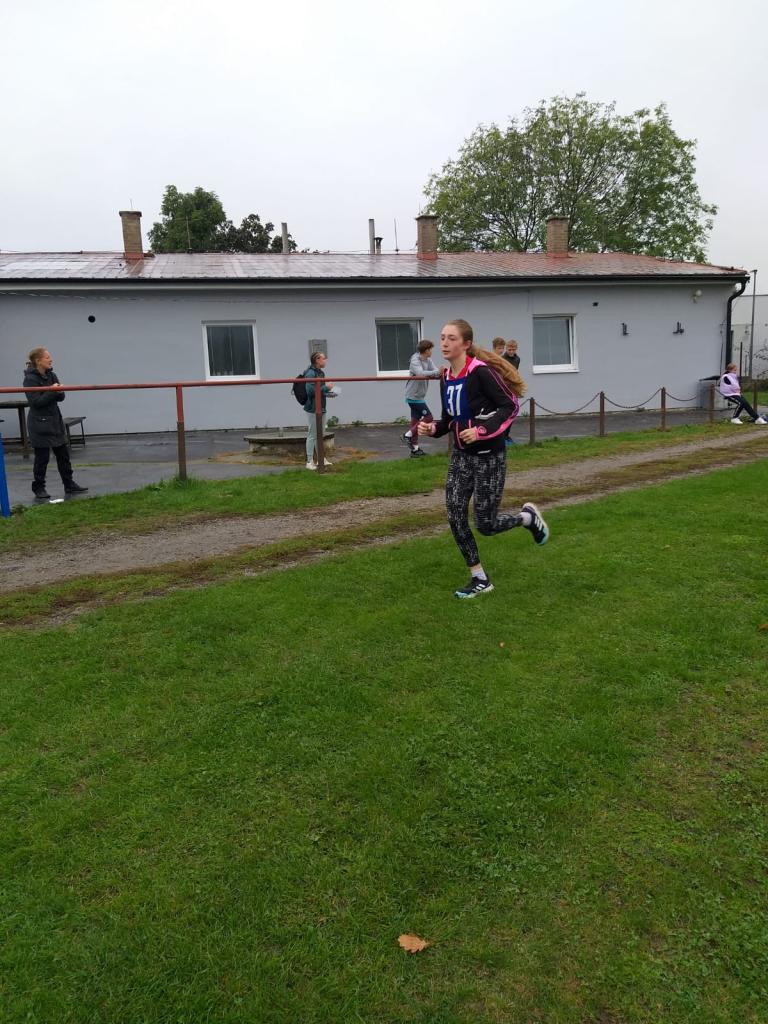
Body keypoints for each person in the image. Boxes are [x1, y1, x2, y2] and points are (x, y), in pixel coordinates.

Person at [418, 319, 549, 598]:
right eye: (442, 337)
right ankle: (479, 578)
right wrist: (433, 429)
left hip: (489, 457)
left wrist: (481, 431)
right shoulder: (446, 377)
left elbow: (510, 406)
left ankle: (527, 518)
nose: (444, 343)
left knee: (485, 525)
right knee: (455, 515)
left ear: (466, 344)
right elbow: (450, 419)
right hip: (461, 457)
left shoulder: (481, 372)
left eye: (451, 338)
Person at [23, 347, 88, 500]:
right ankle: (39, 488)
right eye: (47, 357)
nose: (51, 360)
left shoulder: (52, 375)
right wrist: (52, 391)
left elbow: (61, 397)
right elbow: (36, 402)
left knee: (63, 455)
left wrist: (59, 391)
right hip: (39, 424)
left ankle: (69, 484)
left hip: (54, 421)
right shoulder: (30, 379)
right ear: (38, 361)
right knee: (42, 459)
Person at [402, 340, 441, 458]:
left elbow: (436, 373)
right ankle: (407, 436)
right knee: (429, 417)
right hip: (413, 396)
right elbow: (420, 373)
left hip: (419, 396)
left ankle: (415, 450)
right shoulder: (415, 360)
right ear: (426, 350)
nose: (432, 351)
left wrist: (439, 373)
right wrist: (437, 372)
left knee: (415, 422)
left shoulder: (428, 360)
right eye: (430, 349)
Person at [303, 350, 336, 469]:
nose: (325, 360)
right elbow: (311, 392)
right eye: (323, 358)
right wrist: (325, 387)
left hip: (321, 407)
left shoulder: (321, 373)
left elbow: (320, 390)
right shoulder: (310, 374)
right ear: (317, 360)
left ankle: (321, 459)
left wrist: (329, 392)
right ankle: (309, 461)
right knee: (312, 434)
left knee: (320, 435)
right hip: (312, 408)